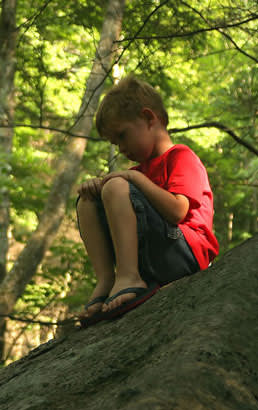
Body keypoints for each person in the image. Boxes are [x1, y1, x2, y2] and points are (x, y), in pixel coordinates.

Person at [76, 75, 219, 328]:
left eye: (122, 136)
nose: (120, 148)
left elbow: (177, 211)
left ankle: (129, 277)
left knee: (117, 186)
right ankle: (107, 280)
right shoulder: (138, 173)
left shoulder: (181, 156)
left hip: (185, 254)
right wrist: (98, 189)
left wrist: (130, 178)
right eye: (114, 142)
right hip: (156, 254)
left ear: (149, 118)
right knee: (87, 201)